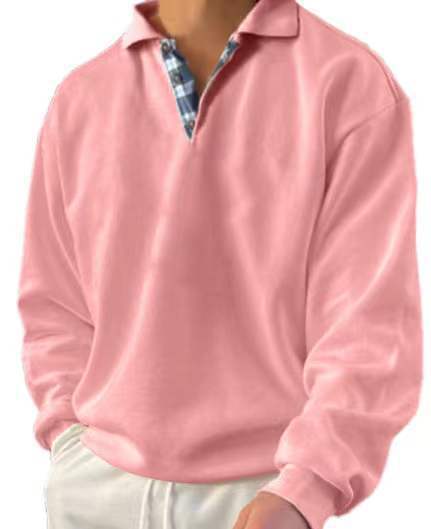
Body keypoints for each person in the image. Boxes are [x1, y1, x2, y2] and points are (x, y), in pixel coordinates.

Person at [17, 0, 422, 528]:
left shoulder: (346, 83)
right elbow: (53, 303)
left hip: (264, 492)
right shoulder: (80, 98)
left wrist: (306, 488)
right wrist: (68, 442)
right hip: (95, 488)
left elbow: (370, 322)